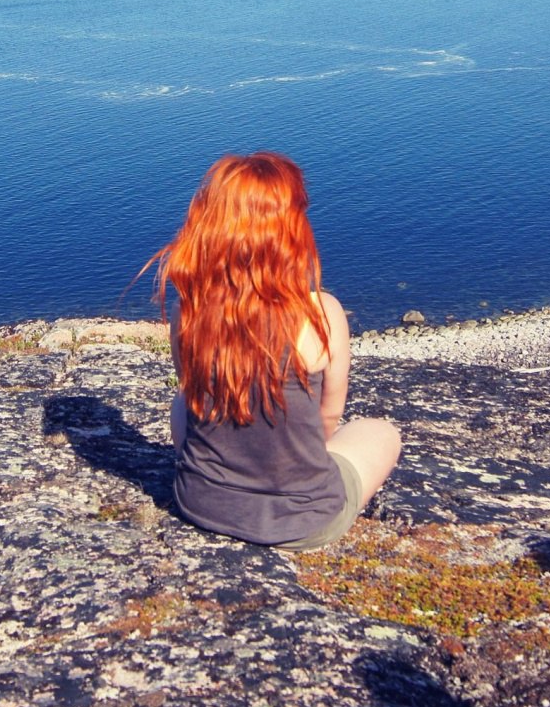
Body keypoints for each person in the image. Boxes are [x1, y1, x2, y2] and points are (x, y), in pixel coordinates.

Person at [148, 151, 401, 551]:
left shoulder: (190, 311)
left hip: (200, 504)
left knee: (183, 402)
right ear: (289, 229)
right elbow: (329, 415)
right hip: (305, 522)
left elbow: (192, 395)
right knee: (381, 432)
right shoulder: (321, 312)